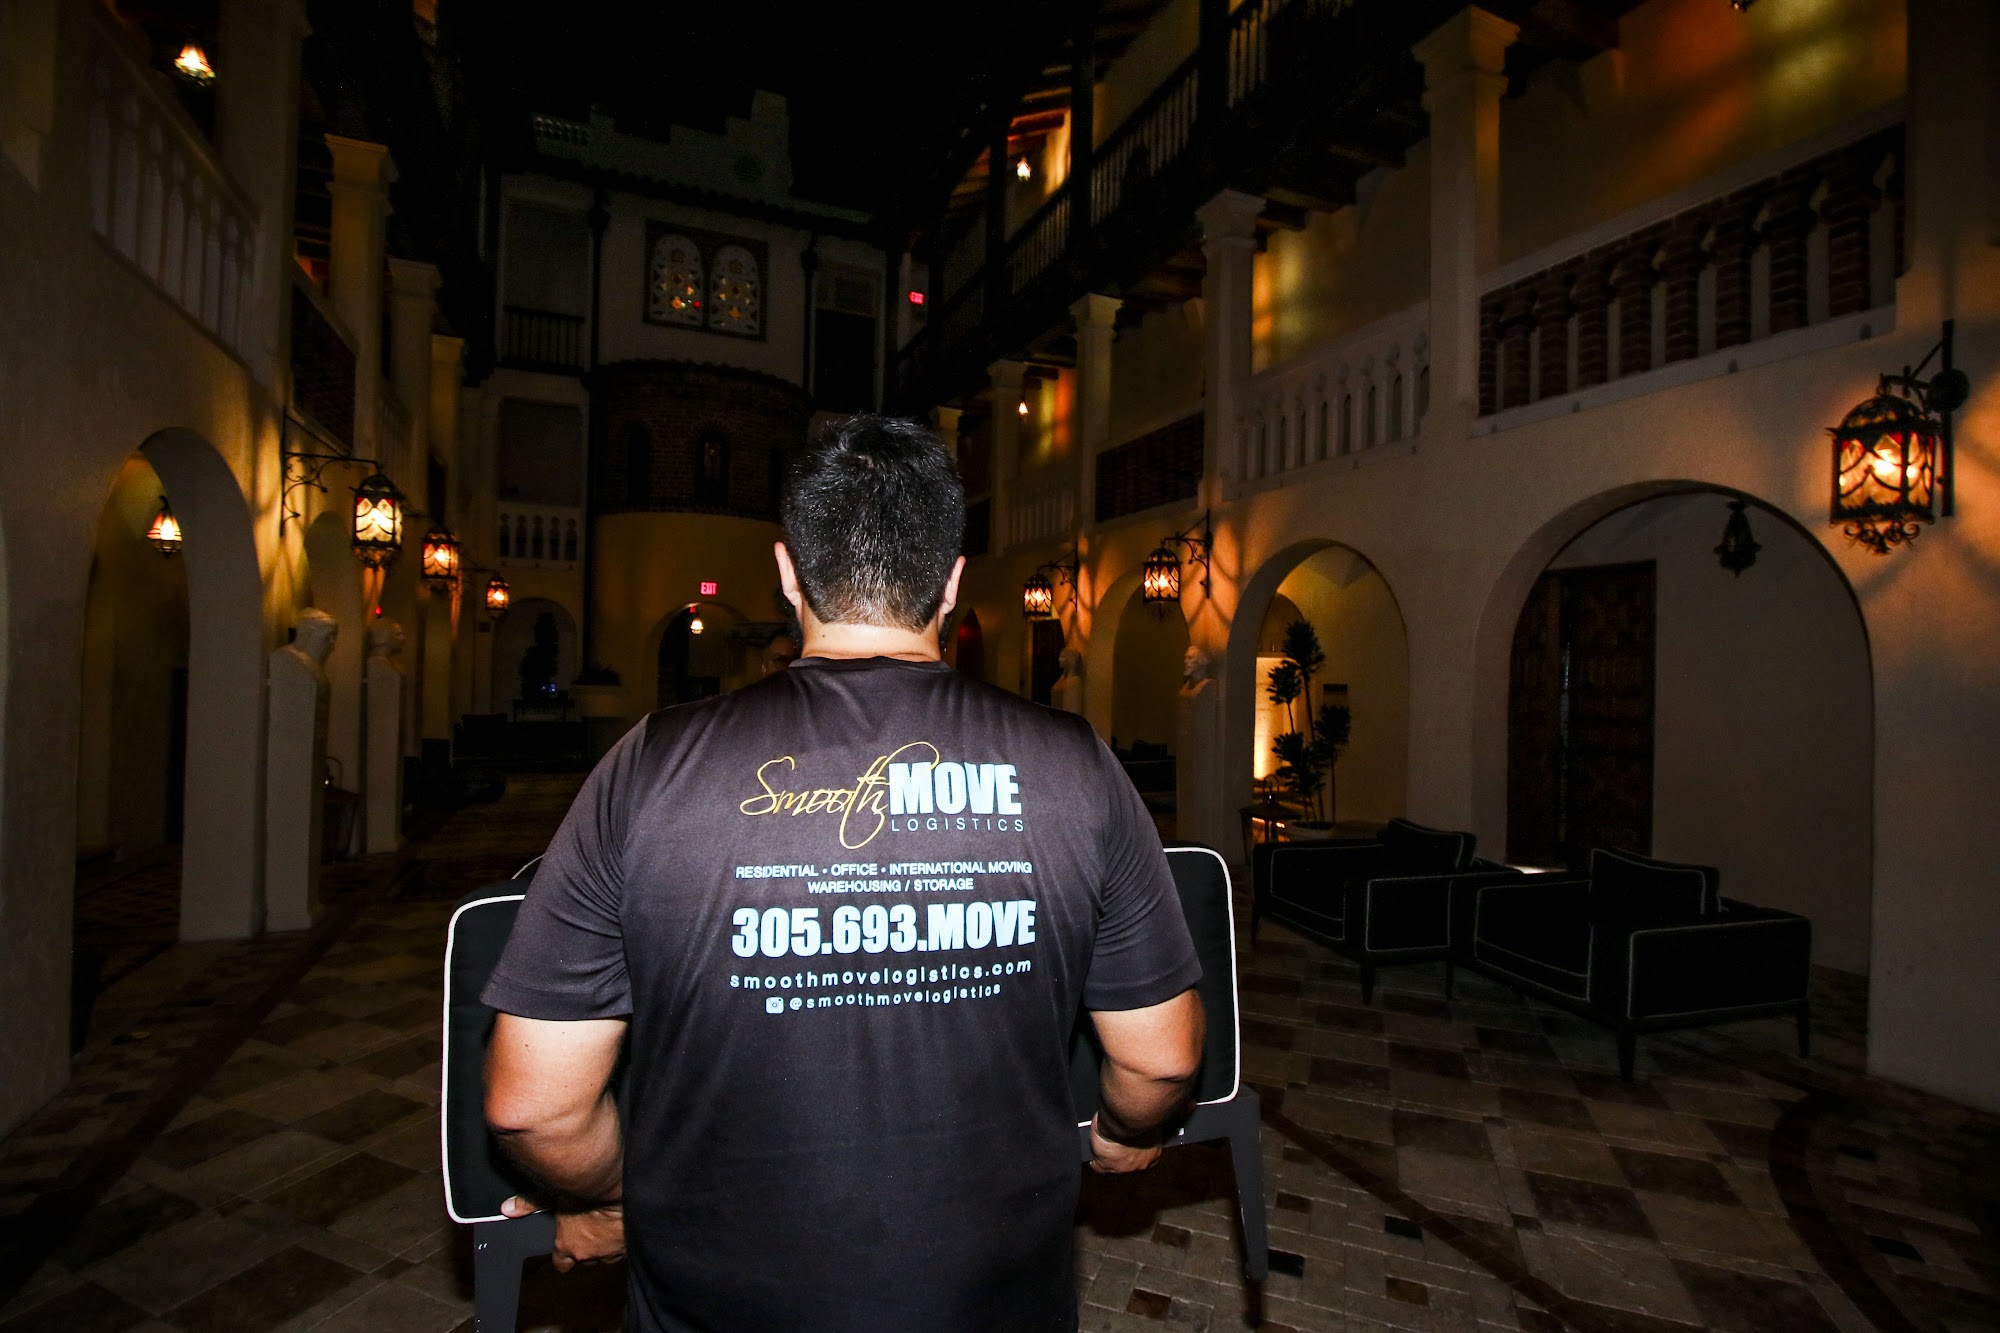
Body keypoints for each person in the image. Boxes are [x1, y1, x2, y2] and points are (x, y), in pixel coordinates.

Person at [483, 415, 1205, 1332]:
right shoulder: (1076, 764)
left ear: (788, 573)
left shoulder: (651, 763)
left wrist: (622, 1196)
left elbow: (535, 1106)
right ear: (952, 580)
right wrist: (1124, 1130)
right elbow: (1161, 1055)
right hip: (992, 1301)